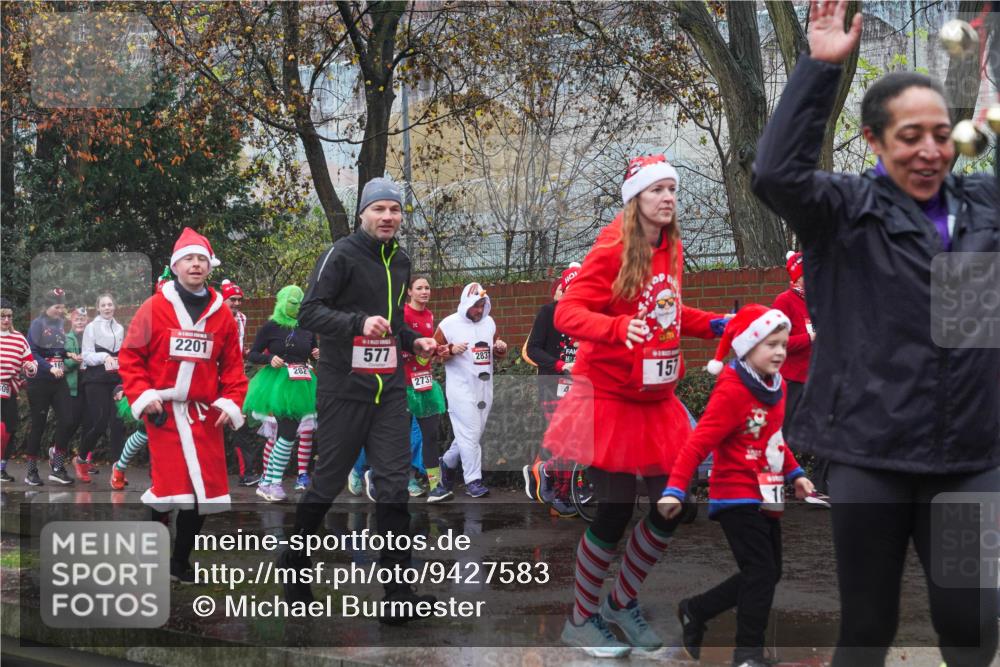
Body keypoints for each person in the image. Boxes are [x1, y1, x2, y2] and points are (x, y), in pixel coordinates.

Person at [751, 2, 999, 664]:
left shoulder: (984, 206)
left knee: (971, 621)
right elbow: (776, 174)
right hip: (872, 454)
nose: (929, 150)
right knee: (868, 624)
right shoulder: (842, 210)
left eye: (941, 134)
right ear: (874, 140)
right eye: (910, 135)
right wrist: (819, 68)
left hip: (971, 458)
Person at [543, 154, 728, 657]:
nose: (667, 198)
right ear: (635, 200)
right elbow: (567, 312)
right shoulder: (611, 250)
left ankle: (621, 603)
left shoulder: (672, 247)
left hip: (656, 399)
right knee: (614, 512)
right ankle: (580, 619)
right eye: (656, 191)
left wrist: (718, 325)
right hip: (609, 398)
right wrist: (617, 329)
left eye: (672, 189)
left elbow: (667, 312)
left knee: (673, 507)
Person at [278, 177, 440, 623]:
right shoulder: (342, 254)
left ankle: (398, 593)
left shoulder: (402, 261)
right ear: (363, 214)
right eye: (379, 209)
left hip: (389, 391)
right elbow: (310, 311)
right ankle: (294, 565)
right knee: (327, 483)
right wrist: (357, 323)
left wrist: (415, 340)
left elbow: (389, 324)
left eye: (395, 210)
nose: (388, 217)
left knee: (392, 487)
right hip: (344, 389)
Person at [659, 304, 816, 667]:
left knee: (768, 572)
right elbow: (697, 444)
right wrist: (675, 489)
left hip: (767, 489)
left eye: (782, 343)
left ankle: (695, 610)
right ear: (747, 347)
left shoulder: (772, 384)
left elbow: (772, 437)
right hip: (735, 494)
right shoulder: (732, 391)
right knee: (761, 572)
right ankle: (748, 655)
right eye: (770, 344)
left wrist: (796, 474)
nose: (779, 351)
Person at [118, 227, 248, 582]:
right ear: (175, 266)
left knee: (203, 493)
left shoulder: (221, 313)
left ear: (210, 266)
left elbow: (233, 367)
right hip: (165, 413)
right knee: (167, 489)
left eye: (201, 259)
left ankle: (179, 562)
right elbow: (130, 357)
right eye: (188, 259)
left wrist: (230, 402)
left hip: (205, 415)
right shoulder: (154, 308)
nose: (195, 265)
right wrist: (145, 398)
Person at [243, 285, 318, 502]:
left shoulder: (307, 327)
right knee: (285, 435)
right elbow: (254, 354)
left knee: (288, 435)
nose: (296, 307)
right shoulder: (271, 326)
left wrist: (316, 354)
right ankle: (272, 482)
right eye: (292, 302)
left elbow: (311, 353)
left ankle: (268, 482)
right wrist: (269, 359)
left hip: (301, 384)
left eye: (299, 303)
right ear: (282, 302)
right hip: (277, 384)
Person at [433, 283, 507, 498]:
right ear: (466, 304)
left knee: (471, 434)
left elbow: (493, 348)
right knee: (470, 432)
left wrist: (499, 348)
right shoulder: (448, 324)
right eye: (476, 306)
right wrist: (450, 350)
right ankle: (473, 480)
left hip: (484, 388)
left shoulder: (489, 322)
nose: (479, 310)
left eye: (483, 305)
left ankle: (446, 463)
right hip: (460, 389)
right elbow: (430, 354)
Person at [524, 263, 581, 517]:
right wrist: (561, 364)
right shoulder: (548, 313)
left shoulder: (588, 316)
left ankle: (548, 474)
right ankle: (561, 493)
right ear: (565, 289)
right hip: (552, 385)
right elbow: (533, 349)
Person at [770, 251, 826, 500]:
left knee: (826, 431)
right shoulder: (784, 301)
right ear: (796, 276)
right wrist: (809, 338)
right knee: (786, 434)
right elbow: (776, 341)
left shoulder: (819, 300)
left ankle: (820, 484)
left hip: (818, 378)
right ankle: (777, 483)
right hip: (793, 379)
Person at [402, 276, 450, 502]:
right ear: (409, 292)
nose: (424, 291)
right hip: (403, 385)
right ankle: (398, 479)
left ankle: (435, 486)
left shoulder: (429, 316)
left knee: (430, 436)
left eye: (427, 288)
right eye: (419, 288)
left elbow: (428, 347)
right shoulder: (401, 315)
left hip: (425, 383)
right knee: (401, 438)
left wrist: (438, 350)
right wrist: (415, 352)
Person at [25, 288, 76, 486]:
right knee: (39, 425)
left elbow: (55, 348)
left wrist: (67, 355)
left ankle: (57, 466)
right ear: (46, 307)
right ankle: (31, 471)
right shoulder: (37, 325)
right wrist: (49, 368)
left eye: (62, 306)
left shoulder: (60, 324)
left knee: (68, 419)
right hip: (39, 381)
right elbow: (33, 353)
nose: (60, 310)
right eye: (57, 306)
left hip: (58, 380)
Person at [76, 293, 125, 481]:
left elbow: (122, 354)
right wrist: (104, 357)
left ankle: (118, 470)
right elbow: (86, 355)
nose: (107, 308)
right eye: (103, 305)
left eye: (110, 304)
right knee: (100, 422)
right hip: (95, 380)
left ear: (114, 306)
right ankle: (81, 459)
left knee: (118, 424)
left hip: (114, 380)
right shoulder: (91, 327)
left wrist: (120, 362)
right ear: (98, 308)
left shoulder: (120, 328)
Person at [220, 278, 260, 487]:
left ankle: (247, 474)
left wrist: (247, 353)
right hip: (214, 378)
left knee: (240, 423)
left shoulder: (242, 319)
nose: (236, 303)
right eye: (231, 300)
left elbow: (238, 346)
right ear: (223, 300)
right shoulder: (215, 317)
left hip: (235, 377)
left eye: (238, 300)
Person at [1, 297, 38, 482]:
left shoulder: (19, 338)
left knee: (10, 430)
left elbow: (29, 363)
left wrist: (30, 369)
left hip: (10, 390)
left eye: (9, 316)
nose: (6, 320)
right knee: (1, 429)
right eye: (2, 316)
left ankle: (1, 467)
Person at [56, 307, 90, 477]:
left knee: (88, 424)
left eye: (83, 319)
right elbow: (62, 363)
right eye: (77, 319)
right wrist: (76, 360)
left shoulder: (91, 338)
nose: (80, 322)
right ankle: (56, 454)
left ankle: (84, 461)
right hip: (71, 389)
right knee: (70, 424)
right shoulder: (66, 338)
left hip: (88, 388)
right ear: (71, 321)